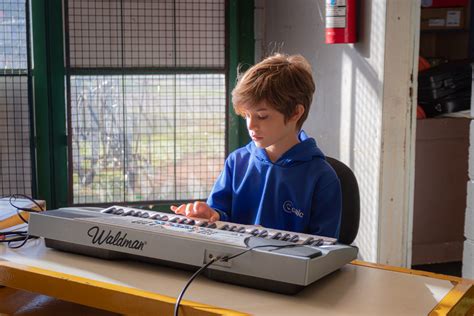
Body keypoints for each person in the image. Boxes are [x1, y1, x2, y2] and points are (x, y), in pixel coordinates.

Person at [171, 53, 342, 238]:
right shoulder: (237, 162)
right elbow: (219, 214)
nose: (251, 126)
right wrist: (210, 215)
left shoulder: (321, 178)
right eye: (246, 116)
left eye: (262, 116)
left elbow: (324, 249)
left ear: (295, 113)